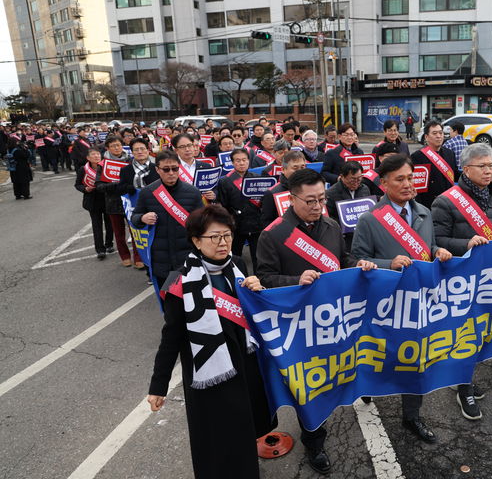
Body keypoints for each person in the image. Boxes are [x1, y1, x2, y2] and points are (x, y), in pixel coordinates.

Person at [256, 168, 376, 474]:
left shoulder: (332, 225)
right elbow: (265, 278)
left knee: (345, 365)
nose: (317, 205)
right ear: (292, 199)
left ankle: (355, 389)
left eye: (322, 198)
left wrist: (357, 264)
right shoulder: (274, 234)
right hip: (301, 327)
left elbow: (342, 259)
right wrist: (297, 279)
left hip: (337, 317)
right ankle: (315, 442)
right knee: (310, 386)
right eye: (310, 200)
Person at [147, 204, 275, 479]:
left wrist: (257, 293)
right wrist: (158, 386)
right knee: (218, 441)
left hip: (243, 365)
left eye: (227, 235)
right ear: (196, 240)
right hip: (210, 372)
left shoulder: (239, 266)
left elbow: (257, 318)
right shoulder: (180, 283)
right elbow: (170, 339)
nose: (223, 243)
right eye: (214, 237)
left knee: (245, 432)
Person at [352, 154, 453, 444]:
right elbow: (357, 259)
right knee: (381, 355)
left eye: (410, 177)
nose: (408, 184)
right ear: (383, 184)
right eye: (400, 179)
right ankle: (370, 386)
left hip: (417, 304)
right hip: (384, 305)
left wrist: (437, 252)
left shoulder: (423, 211)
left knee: (415, 359)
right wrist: (387, 264)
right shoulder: (370, 219)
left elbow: (429, 246)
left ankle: (412, 415)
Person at [430, 144, 492, 420]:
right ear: (466, 169)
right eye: (482, 166)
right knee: (466, 336)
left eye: (490, 166)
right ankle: (464, 388)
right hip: (463, 282)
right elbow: (435, 243)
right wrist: (466, 244)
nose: (488, 171)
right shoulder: (446, 201)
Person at [131, 151, 204, 288]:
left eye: (175, 168)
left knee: (191, 302)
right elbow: (134, 218)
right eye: (166, 169)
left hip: (187, 257)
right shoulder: (148, 192)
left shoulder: (192, 192)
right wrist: (142, 218)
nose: (171, 173)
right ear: (157, 170)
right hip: (161, 258)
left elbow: (201, 224)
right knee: (169, 303)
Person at [216, 148, 262, 272]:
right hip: (236, 225)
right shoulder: (225, 181)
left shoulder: (257, 178)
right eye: (238, 160)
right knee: (235, 257)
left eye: (244, 160)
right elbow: (223, 205)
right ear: (232, 163)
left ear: (249, 161)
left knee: (258, 258)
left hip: (256, 224)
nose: (241, 163)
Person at [95, 138, 138, 267]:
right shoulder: (102, 164)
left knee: (135, 231)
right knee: (119, 233)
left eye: (118, 145)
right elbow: (99, 186)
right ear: (108, 148)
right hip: (113, 202)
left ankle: (138, 257)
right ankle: (124, 256)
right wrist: (115, 185)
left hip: (130, 201)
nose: (117, 148)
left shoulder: (131, 161)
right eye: (113, 146)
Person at [410, 121, 459, 209]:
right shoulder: (417, 156)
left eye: (441, 133)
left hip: (448, 202)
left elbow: (455, 175)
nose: (439, 136)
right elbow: (417, 185)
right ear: (426, 137)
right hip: (428, 204)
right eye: (434, 133)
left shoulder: (450, 153)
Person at [75, 148, 113, 259]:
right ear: (88, 158)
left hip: (106, 199)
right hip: (92, 200)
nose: (96, 156)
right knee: (97, 226)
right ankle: (100, 249)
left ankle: (109, 244)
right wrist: (85, 189)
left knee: (109, 223)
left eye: (98, 154)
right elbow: (77, 184)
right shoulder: (83, 169)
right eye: (93, 154)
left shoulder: (106, 166)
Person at [326, 160, 372, 249]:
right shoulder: (331, 193)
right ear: (342, 177)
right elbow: (329, 218)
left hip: (364, 235)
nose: (356, 182)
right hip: (344, 238)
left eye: (359, 178)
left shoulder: (365, 189)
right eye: (352, 179)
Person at [259, 150, 307, 227]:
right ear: (283, 170)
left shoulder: (311, 188)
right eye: (295, 168)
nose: (299, 171)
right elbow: (266, 223)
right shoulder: (272, 193)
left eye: (302, 167)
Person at [171, 133, 216, 203]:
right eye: (182, 147)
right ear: (176, 150)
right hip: (180, 208)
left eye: (189, 145)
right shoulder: (171, 169)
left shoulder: (206, 166)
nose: (187, 149)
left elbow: (215, 188)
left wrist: (213, 195)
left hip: (203, 208)